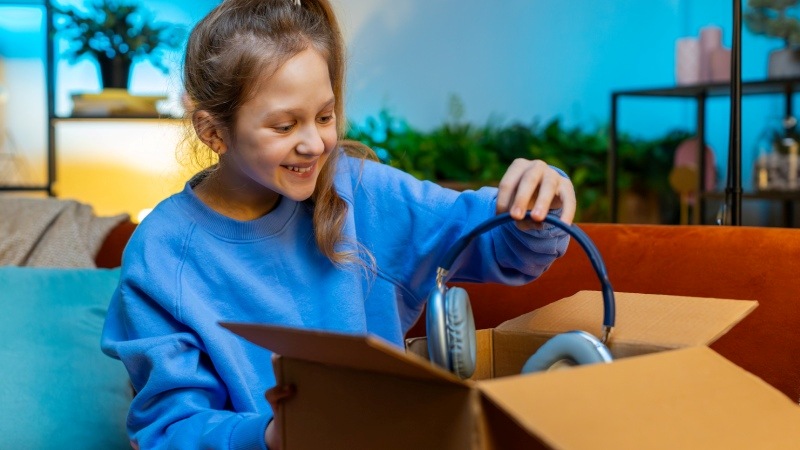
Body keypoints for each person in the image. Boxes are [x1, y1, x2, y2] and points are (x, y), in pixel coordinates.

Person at [100, 0, 577, 448]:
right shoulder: (162, 252)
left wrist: (543, 194)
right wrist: (273, 434)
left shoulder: (362, 193)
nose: (315, 144)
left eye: (325, 116)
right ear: (213, 131)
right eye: (284, 126)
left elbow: (507, 246)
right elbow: (170, 429)